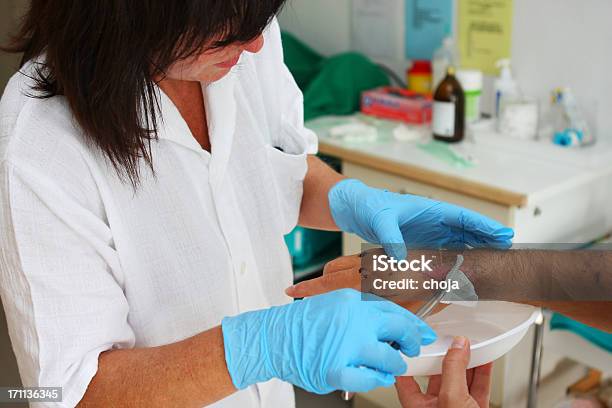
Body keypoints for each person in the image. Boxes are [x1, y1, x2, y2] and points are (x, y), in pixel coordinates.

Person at [0, 1, 512, 407]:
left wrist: (351, 198)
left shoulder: (243, 38)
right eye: (224, 25)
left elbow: (278, 170)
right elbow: (70, 394)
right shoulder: (40, 142)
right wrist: (260, 345)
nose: (257, 42)